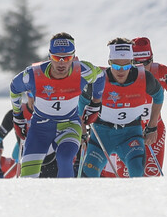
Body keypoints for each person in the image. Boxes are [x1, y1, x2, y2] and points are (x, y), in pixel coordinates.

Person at [10, 32, 105, 178]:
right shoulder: (34, 74)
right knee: (28, 175)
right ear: (49, 57)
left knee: (65, 159)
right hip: (40, 127)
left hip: (69, 125)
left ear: (73, 57)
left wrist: (96, 103)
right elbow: (14, 88)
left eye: (66, 58)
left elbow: (100, 77)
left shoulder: (83, 71)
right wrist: (18, 116)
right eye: (56, 58)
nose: (61, 63)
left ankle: (66, 198)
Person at [109, 36, 167, 177]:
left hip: (153, 132)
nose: (142, 67)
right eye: (136, 63)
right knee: (125, 179)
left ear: (152, 59)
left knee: (151, 178)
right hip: (126, 133)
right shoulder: (120, 74)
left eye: (146, 62)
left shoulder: (160, 71)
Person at [80, 37, 164, 178]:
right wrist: (82, 126)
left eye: (125, 66)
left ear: (132, 63)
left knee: (137, 170)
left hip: (130, 134)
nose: (121, 71)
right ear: (109, 63)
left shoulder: (144, 77)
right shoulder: (99, 79)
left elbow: (159, 96)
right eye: (116, 66)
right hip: (102, 134)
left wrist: (152, 125)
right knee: (89, 172)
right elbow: (82, 101)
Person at [0, 95, 58, 178]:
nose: (35, 100)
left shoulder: (53, 113)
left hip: (52, 165)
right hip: (27, 165)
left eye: (38, 95)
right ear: (27, 95)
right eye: (31, 95)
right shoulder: (16, 114)